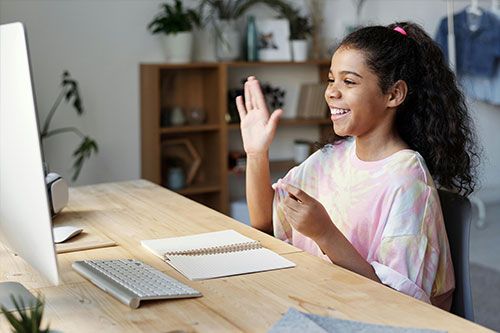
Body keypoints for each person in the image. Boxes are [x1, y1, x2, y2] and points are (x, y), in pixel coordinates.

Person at [235, 22, 479, 311]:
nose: (331, 93)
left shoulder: (407, 181)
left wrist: (325, 234)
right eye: (331, 80)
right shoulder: (329, 158)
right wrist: (257, 153)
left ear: (393, 95)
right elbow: (265, 223)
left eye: (348, 82)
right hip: (319, 303)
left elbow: (398, 306)